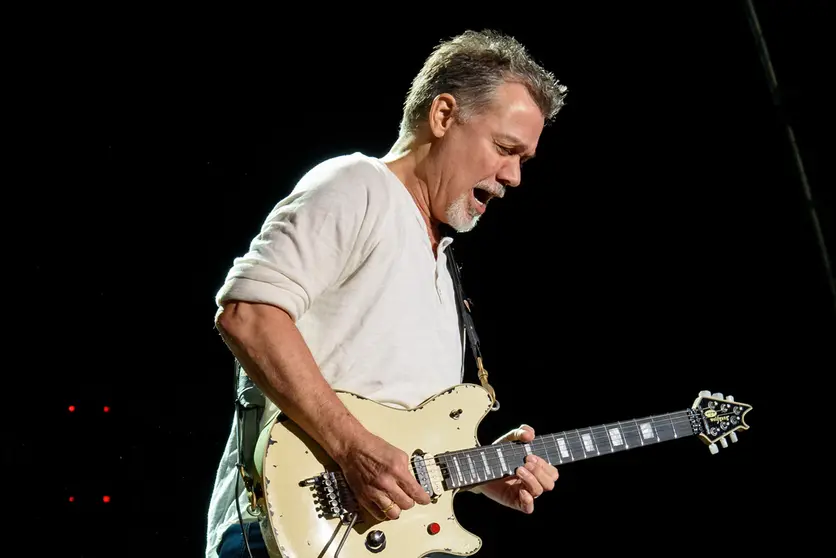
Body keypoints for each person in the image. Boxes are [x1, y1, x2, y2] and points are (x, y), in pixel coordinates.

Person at [205, 28, 569, 558]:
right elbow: (248, 314)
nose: (513, 176)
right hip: (288, 530)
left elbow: (401, 433)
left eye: (523, 161)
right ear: (443, 116)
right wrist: (352, 447)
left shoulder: (444, 269)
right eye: (505, 148)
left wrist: (477, 471)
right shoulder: (359, 185)